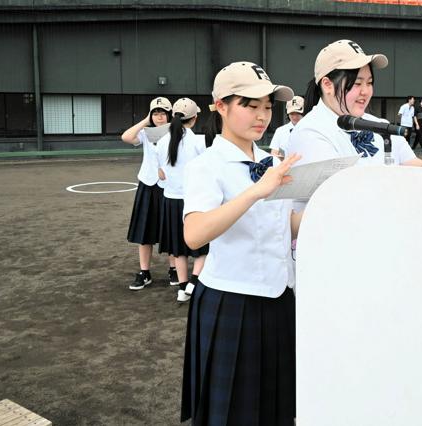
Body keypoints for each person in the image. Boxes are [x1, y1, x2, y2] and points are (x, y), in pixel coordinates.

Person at [180, 61, 302, 425]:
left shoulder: (270, 161)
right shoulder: (207, 165)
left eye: (267, 106)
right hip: (231, 302)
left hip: (280, 299)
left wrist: (336, 202)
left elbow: (284, 224)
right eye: (250, 105)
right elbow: (194, 233)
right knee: (234, 413)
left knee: (278, 409)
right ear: (220, 106)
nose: (262, 115)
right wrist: (256, 191)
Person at [287, 39, 422, 170]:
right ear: (327, 85)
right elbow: (341, 195)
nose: (366, 92)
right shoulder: (310, 132)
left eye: (369, 83)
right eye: (357, 84)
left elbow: (413, 164)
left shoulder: (380, 125)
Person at [121, 97, 178, 291]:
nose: (159, 117)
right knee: (144, 231)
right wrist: (146, 120)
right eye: (155, 113)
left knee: (170, 230)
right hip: (147, 184)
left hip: (168, 186)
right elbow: (126, 137)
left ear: (169, 115)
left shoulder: (177, 133)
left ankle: (174, 269)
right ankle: (144, 272)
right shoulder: (145, 133)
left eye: (163, 113)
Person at [155, 97, 208, 303]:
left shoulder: (161, 142)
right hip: (195, 201)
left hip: (171, 200)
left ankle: (183, 287)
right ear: (194, 119)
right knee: (203, 245)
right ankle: (194, 282)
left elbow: (161, 174)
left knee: (178, 246)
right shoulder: (198, 142)